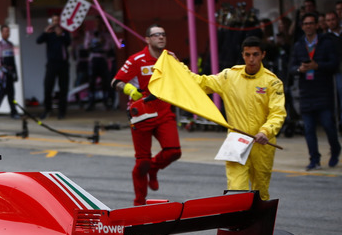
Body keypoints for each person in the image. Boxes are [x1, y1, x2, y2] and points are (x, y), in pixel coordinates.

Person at [187, 37, 285, 200]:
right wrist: (177, 67)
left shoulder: (272, 82)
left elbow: (277, 113)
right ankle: (238, 225)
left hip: (261, 143)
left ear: (263, 55)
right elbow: (201, 82)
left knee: (260, 193)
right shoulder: (229, 76)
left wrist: (266, 131)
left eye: (255, 54)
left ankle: (258, 225)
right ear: (242, 55)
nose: (251, 59)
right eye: (247, 55)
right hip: (236, 141)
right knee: (236, 191)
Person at [111, 24, 182, 206]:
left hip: (164, 112)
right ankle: (139, 202)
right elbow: (116, 81)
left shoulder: (169, 59)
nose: (161, 37)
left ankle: (154, 169)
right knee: (142, 162)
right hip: (141, 114)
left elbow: (184, 79)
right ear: (147, 39)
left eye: (163, 34)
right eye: (156, 35)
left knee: (174, 151)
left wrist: (179, 65)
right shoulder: (137, 59)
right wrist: (128, 89)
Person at [289, 12, 340, 170]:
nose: (308, 26)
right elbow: (291, 68)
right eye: (305, 24)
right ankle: (314, 158)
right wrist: (300, 69)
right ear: (302, 26)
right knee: (309, 128)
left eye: (311, 23)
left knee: (328, 125)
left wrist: (318, 66)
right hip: (306, 92)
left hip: (323, 90)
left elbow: (334, 64)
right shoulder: (298, 45)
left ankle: (336, 148)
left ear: (317, 25)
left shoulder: (326, 43)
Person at [36, 14, 71, 119]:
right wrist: (45, 32)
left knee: (63, 88)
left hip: (63, 64)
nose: (56, 22)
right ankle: (47, 109)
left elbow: (69, 42)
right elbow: (38, 41)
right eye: (54, 20)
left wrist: (61, 35)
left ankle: (62, 112)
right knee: (47, 87)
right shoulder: (49, 33)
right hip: (51, 64)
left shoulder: (64, 32)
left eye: (57, 20)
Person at [0, 24, 19, 120]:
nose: (7, 33)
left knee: (11, 94)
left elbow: (13, 60)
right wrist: (4, 69)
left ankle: (13, 112)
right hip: (3, 75)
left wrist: (15, 73)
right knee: (1, 93)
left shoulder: (10, 45)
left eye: (8, 31)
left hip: (10, 73)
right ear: (1, 32)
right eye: (5, 31)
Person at [85, 22, 114, 111]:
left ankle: (106, 101)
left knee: (106, 81)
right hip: (93, 59)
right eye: (96, 23)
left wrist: (102, 41)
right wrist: (97, 43)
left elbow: (107, 47)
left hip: (103, 59)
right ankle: (91, 102)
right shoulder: (90, 34)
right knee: (91, 82)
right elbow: (86, 46)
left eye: (100, 24)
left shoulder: (106, 35)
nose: (98, 26)